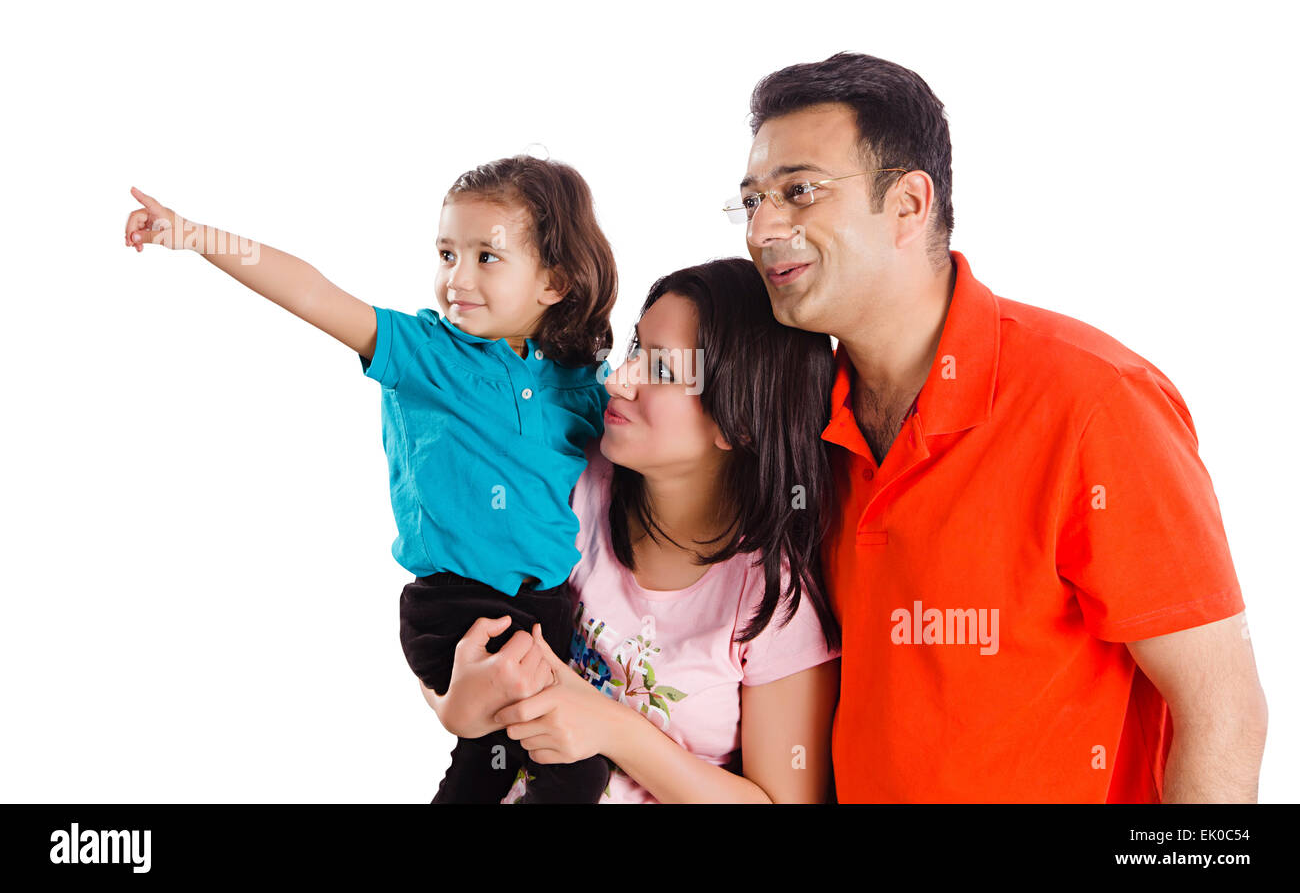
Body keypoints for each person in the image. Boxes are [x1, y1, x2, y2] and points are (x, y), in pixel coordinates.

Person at [731, 51, 1268, 802]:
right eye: (751, 199)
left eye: (799, 191)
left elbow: (1222, 714)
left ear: (910, 205)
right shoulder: (804, 417)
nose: (762, 227)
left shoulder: (1093, 400)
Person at [121, 154, 621, 803]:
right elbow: (313, 294)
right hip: (463, 607)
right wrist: (194, 236)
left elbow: (660, 430)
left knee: (486, 769)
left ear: (553, 282)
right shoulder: (426, 353)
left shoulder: (576, 384)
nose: (457, 277)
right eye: (446, 253)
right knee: (580, 767)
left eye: (486, 257)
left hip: (548, 609)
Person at [417, 258, 843, 803]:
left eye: (662, 370)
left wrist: (612, 728)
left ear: (739, 418)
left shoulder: (774, 598)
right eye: (635, 350)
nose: (617, 378)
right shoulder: (568, 482)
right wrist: (451, 704)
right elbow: (441, 606)